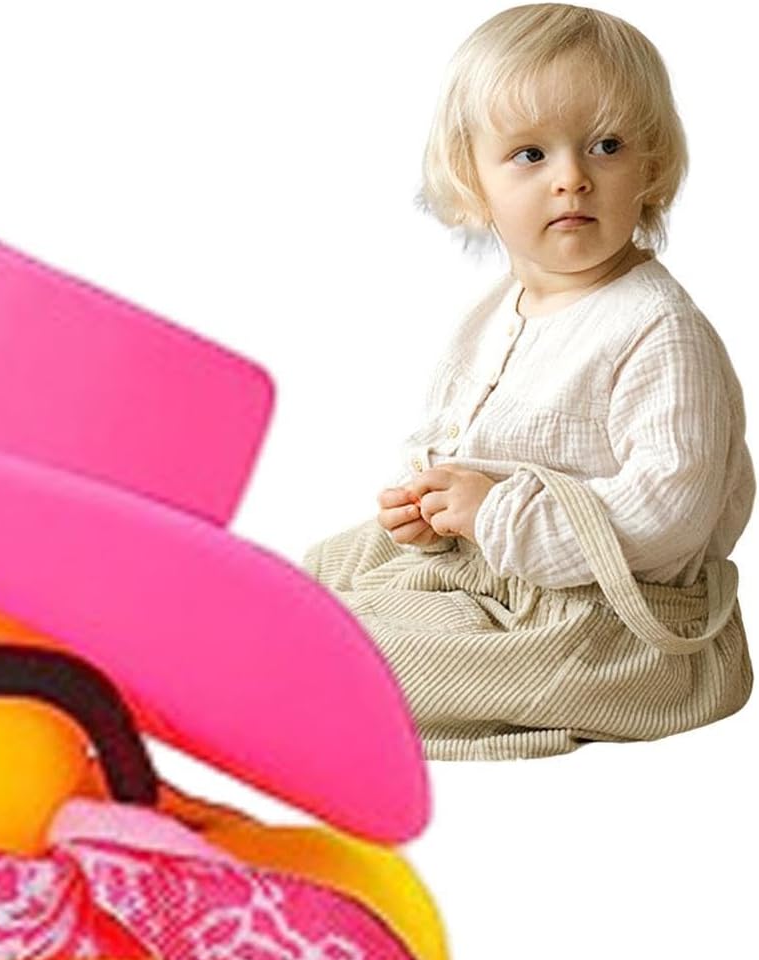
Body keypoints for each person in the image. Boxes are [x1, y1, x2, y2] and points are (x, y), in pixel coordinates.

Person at [304, 4, 753, 760]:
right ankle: (250, 637)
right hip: (491, 570)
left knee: (371, 658)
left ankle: (297, 676)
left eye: (606, 146)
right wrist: (433, 501)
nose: (572, 178)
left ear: (650, 167)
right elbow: (465, 435)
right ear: (472, 179)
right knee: (322, 570)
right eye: (530, 154)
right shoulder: (497, 308)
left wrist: (495, 513)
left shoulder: (658, 329)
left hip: (608, 620)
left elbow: (669, 515)